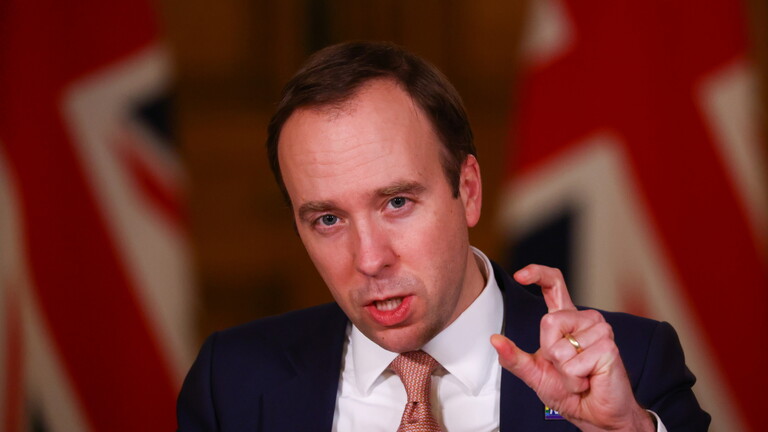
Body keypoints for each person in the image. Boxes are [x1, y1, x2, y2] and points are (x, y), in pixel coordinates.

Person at [177, 41, 709, 431]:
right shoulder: (233, 382)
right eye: (328, 220)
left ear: (468, 191)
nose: (370, 259)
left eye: (397, 203)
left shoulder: (632, 364)